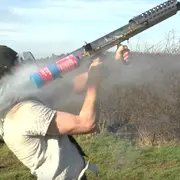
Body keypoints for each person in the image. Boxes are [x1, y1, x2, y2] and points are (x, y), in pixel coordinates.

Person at [0, 44, 130, 180]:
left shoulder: (16, 106)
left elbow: (72, 86)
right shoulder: (23, 113)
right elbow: (87, 123)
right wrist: (94, 82)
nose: (23, 69)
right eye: (17, 66)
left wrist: (113, 63)